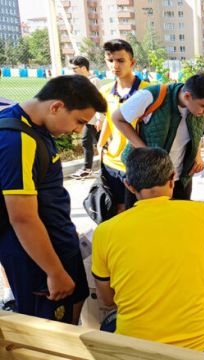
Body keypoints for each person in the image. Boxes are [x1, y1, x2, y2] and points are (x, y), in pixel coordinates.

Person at [92, 147, 204, 353]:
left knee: (110, 323)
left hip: (136, 349)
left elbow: (108, 299)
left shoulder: (104, 231)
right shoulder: (203, 212)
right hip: (202, 346)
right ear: (172, 178)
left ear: (128, 186)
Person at [0, 75, 107, 323]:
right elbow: (23, 218)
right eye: (79, 121)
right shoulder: (17, 139)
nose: (79, 130)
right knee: (51, 331)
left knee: (72, 312)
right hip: (38, 258)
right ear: (56, 106)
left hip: (58, 243)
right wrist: (54, 271)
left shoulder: (37, 127)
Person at [112, 73, 204, 200]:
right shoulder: (151, 95)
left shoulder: (198, 107)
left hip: (180, 180)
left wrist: (197, 155)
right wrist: (146, 152)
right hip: (147, 181)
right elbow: (117, 118)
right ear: (187, 96)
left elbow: (195, 132)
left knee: (179, 219)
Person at [96, 39, 150, 213]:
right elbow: (109, 120)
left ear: (132, 63)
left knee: (136, 210)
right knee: (117, 208)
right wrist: (100, 143)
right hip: (111, 161)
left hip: (136, 162)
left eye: (120, 60)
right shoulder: (105, 91)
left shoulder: (149, 91)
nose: (115, 65)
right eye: (110, 60)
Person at [69, 56, 102, 179]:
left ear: (83, 68)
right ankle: (89, 168)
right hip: (87, 119)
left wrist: (100, 119)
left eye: (74, 68)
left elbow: (98, 101)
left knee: (99, 144)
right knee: (89, 143)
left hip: (95, 120)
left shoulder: (94, 81)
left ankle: (98, 168)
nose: (73, 71)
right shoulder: (80, 81)